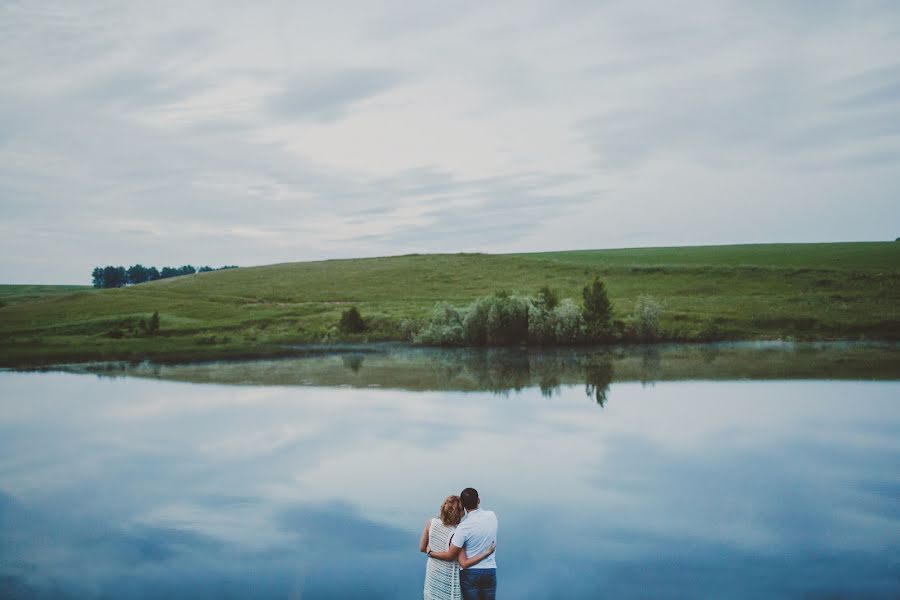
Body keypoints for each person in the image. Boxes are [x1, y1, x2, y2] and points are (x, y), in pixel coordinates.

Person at [420, 495, 496, 600]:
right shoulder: (457, 534)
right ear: (459, 513)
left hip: (433, 574)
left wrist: (430, 552)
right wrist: (486, 553)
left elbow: (422, 548)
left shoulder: (431, 523)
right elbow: (461, 561)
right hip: (449, 579)